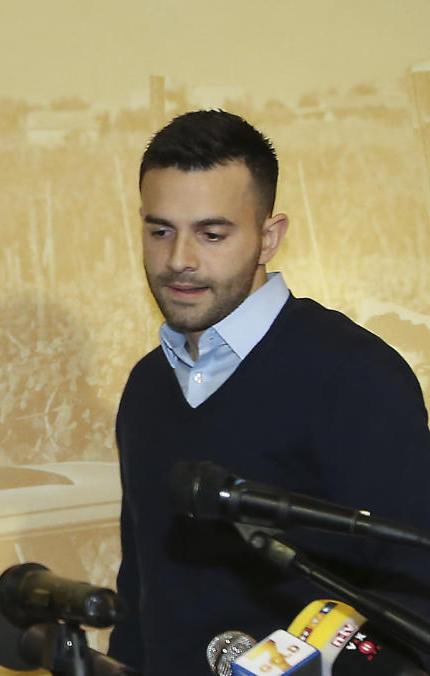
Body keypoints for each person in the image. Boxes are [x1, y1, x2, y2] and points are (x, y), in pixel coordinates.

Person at [105, 111, 430, 674]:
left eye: (212, 234)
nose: (179, 258)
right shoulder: (146, 388)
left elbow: (415, 594)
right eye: (160, 230)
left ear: (269, 237)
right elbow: (142, 591)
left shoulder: (355, 377)